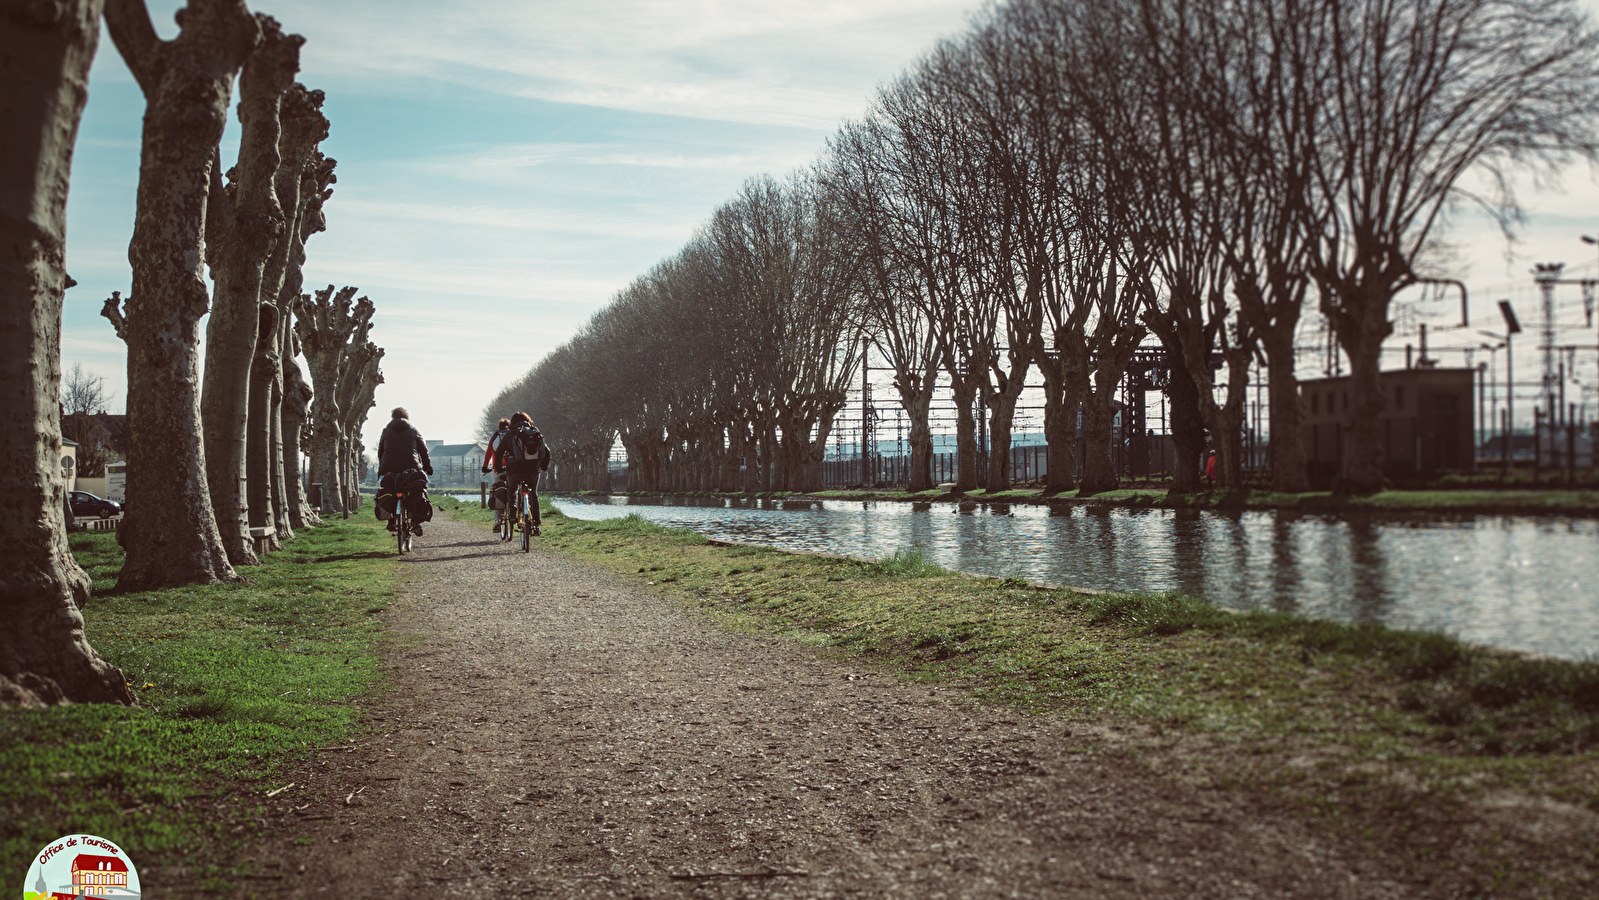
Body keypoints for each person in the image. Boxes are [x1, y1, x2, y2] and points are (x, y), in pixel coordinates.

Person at [377, 407, 433, 536]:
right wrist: (427, 467)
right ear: (407, 417)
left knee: (391, 491)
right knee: (415, 491)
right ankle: (415, 521)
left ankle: (391, 520)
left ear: (392, 417)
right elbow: (423, 451)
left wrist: (382, 469)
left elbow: (380, 452)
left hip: (390, 470)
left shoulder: (386, 431)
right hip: (411, 469)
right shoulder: (413, 431)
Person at [502, 411, 551, 537]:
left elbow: (499, 453)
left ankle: (512, 509)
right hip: (532, 470)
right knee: (533, 494)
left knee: (512, 488)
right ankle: (536, 525)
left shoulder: (511, 434)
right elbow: (547, 451)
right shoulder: (535, 432)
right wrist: (543, 466)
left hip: (514, 469)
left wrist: (498, 468)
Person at [481, 417, 512, 531]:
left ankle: (497, 521)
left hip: (498, 470)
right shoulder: (513, 436)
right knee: (514, 489)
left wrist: (485, 467)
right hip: (512, 469)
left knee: (497, 493)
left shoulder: (494, 438)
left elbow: (488, 454)